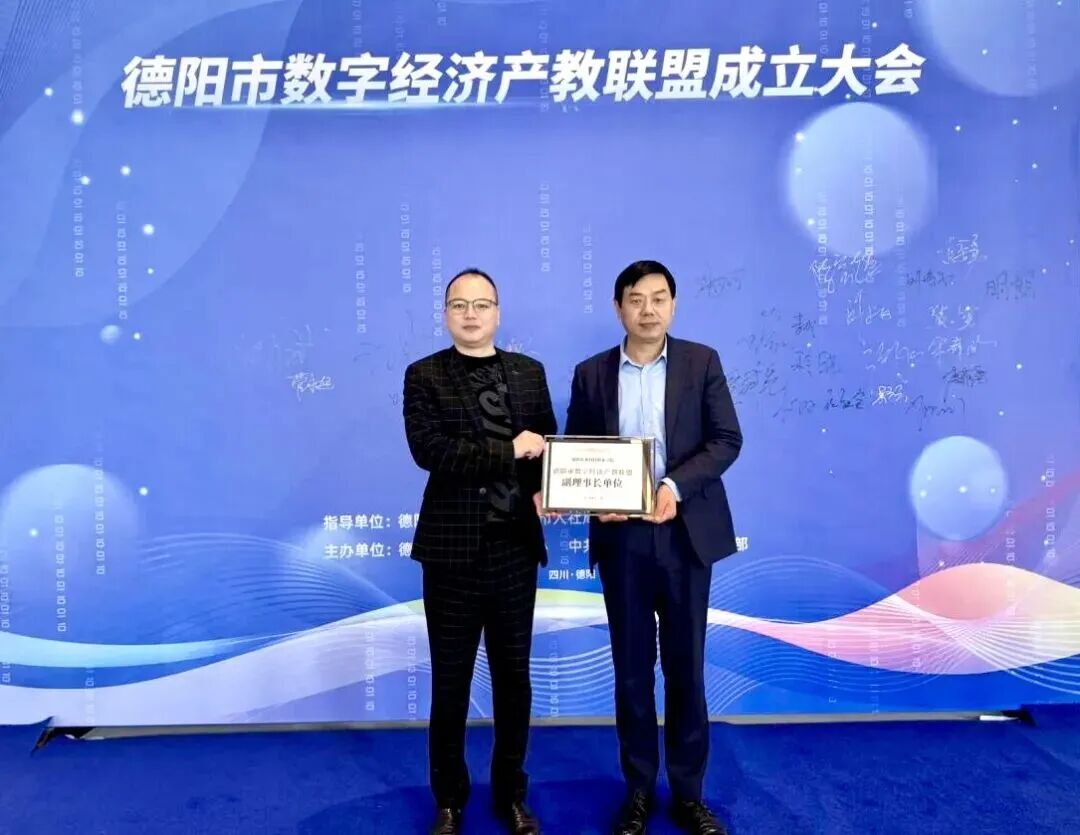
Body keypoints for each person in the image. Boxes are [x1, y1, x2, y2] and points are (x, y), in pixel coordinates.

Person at [565, 260, 743, 835]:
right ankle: (638, 791)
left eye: (659, 298)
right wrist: (594, 500)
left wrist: (673, 486)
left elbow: (726, 439)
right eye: (636, 299)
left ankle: (689, 794)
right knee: (632, 671)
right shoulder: (591, 373)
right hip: (622, 539)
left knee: (686, 668)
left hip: (685, 535)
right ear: (619, 307)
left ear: (673, 304)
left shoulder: (701, 362)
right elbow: (578, 451)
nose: (648, 309)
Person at [403, 268, 557, 835]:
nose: (471, 314)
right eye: (459, 305)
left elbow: (545, 446)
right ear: (446, 314)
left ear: (498, 312)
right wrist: (508, 450)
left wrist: (546, 488)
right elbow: (431, 451)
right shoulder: (424, 375)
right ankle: (449, 800)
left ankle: (511, 795)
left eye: (482, 304)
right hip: (451, 554)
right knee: (451, 683)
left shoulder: (528, 372)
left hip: (514, 550)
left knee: (515, 680)